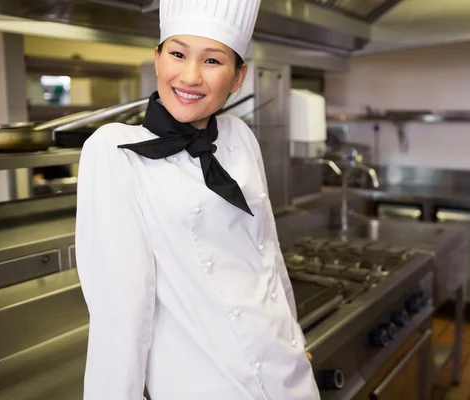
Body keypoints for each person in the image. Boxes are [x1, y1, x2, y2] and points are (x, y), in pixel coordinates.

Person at [74, 0, 320, 399]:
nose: (189, 77)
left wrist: (292, 337)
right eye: (177, 54)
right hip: (206, 386)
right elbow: (122, 312)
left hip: (289, 378)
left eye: (212, 61)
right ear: (157, 59)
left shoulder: (239, 136)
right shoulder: (113, 150)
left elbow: (268, 256)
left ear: (238, 76)